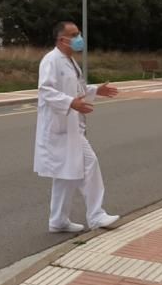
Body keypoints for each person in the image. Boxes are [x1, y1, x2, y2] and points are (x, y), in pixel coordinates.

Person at [34, 22, 121, 233]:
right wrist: (70, 103)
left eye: (79, 34)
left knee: (66, 174)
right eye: (73, 35)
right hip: (60, 128)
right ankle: (96, 215)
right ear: (61, 39)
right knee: (89, 164)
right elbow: (45, 90)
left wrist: (95, 90)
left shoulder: (71, 61)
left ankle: (58, 221)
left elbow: (79, 89)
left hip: (72, 128)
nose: (78, 38)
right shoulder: (51, 60)